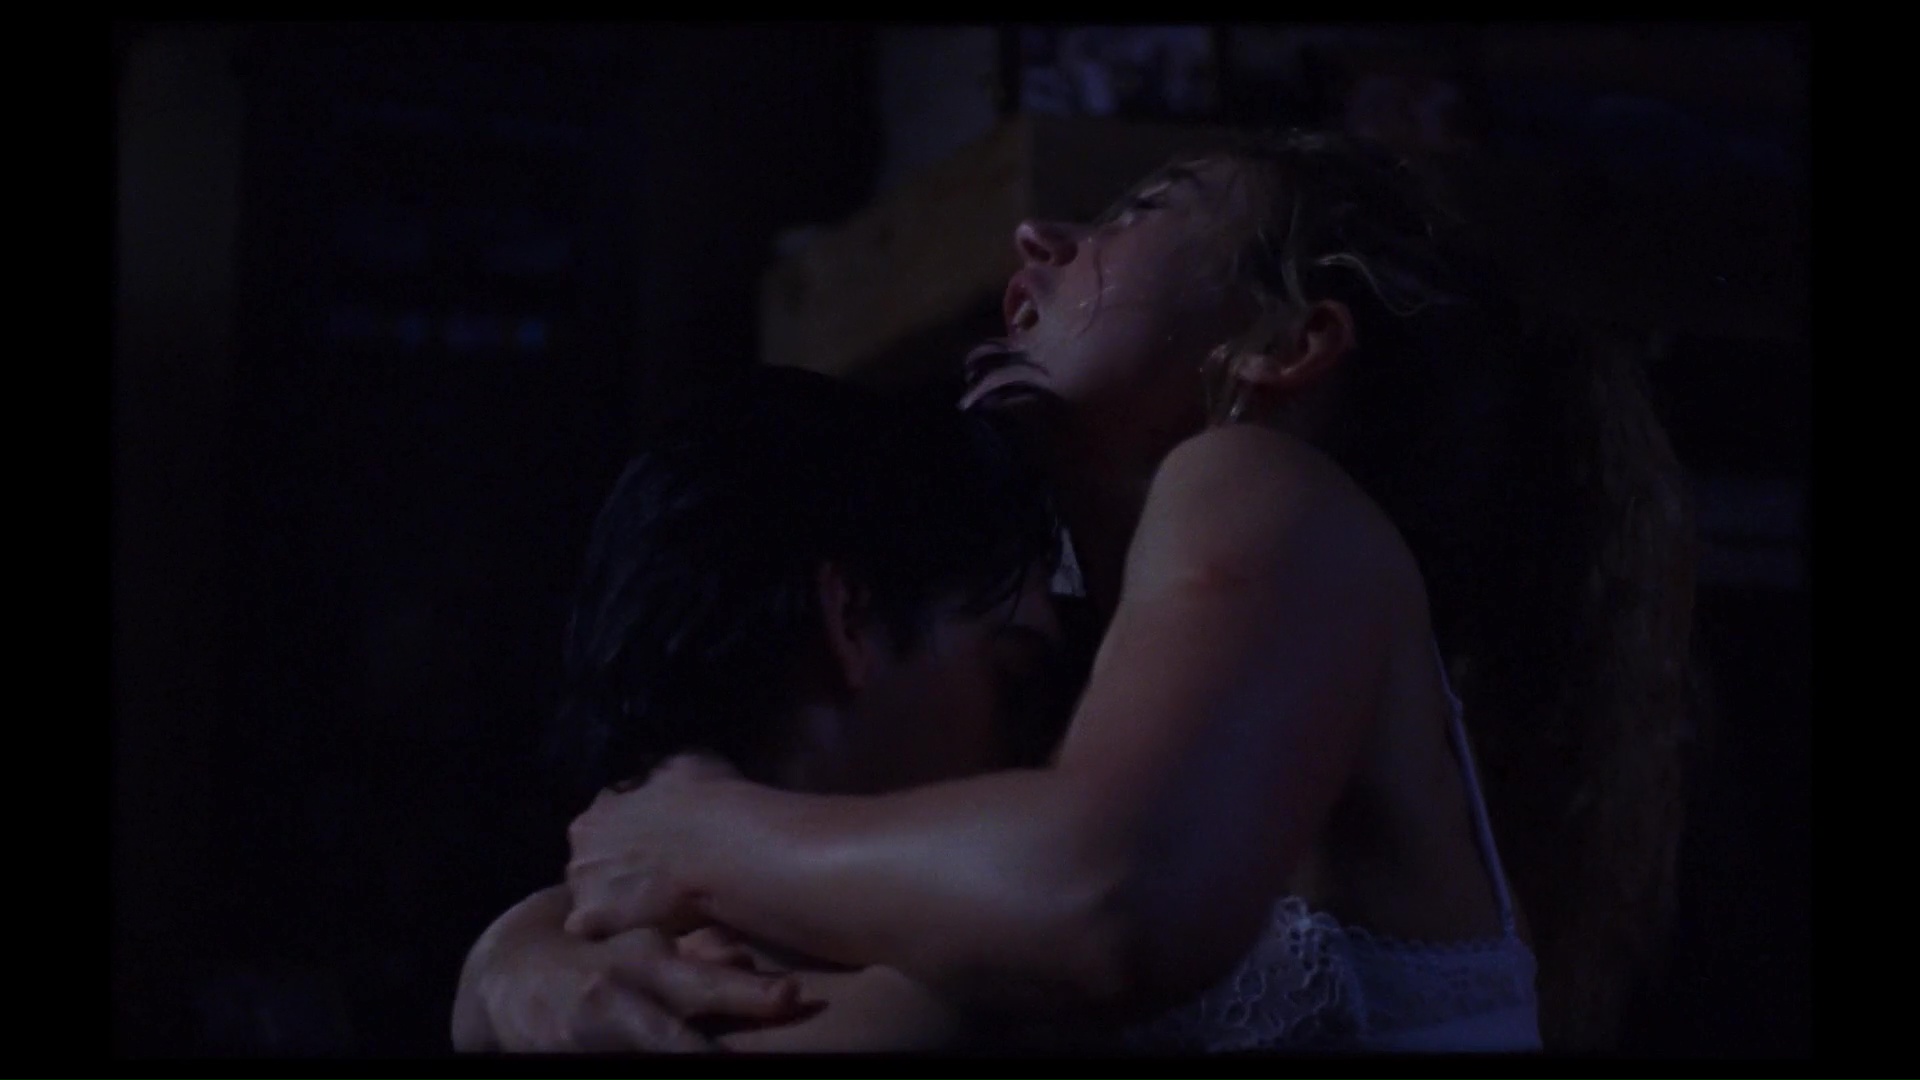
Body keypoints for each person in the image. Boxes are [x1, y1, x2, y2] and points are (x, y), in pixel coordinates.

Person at [466, 130, 1697, 1053]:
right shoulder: (1091, 722)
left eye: (1136, 213)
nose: (1037, 242)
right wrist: (515, 961)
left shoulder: (1265, 484)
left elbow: (1113, 894)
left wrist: (701, 834)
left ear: (1284, 346)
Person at [452, 366, 1076, 1051]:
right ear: (850, 616)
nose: (1045, 746)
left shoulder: (550, 992)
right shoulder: (963, 1005)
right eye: (1013, 677)